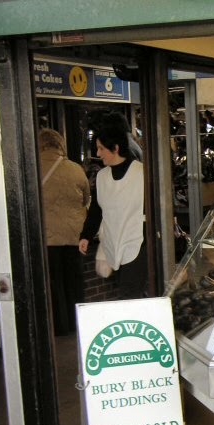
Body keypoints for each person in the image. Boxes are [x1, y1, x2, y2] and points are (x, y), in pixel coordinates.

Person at [79, 113, 147, 299]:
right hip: (113, 242)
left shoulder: (141, 173)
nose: (98, 153)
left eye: (101, 148)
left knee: (129, 293)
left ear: (115, 148)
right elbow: (97, 209)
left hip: (138, 242)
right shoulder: (102, 177)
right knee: (125, 289)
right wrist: (86, 235)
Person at [39, 128, 91, 334]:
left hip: (47, 237)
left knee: (53, 283)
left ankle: (59, 326)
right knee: (74, 281)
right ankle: (77, 322)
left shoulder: (34, 168)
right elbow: (86, 198)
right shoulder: (75, 169)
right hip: (74, 236)